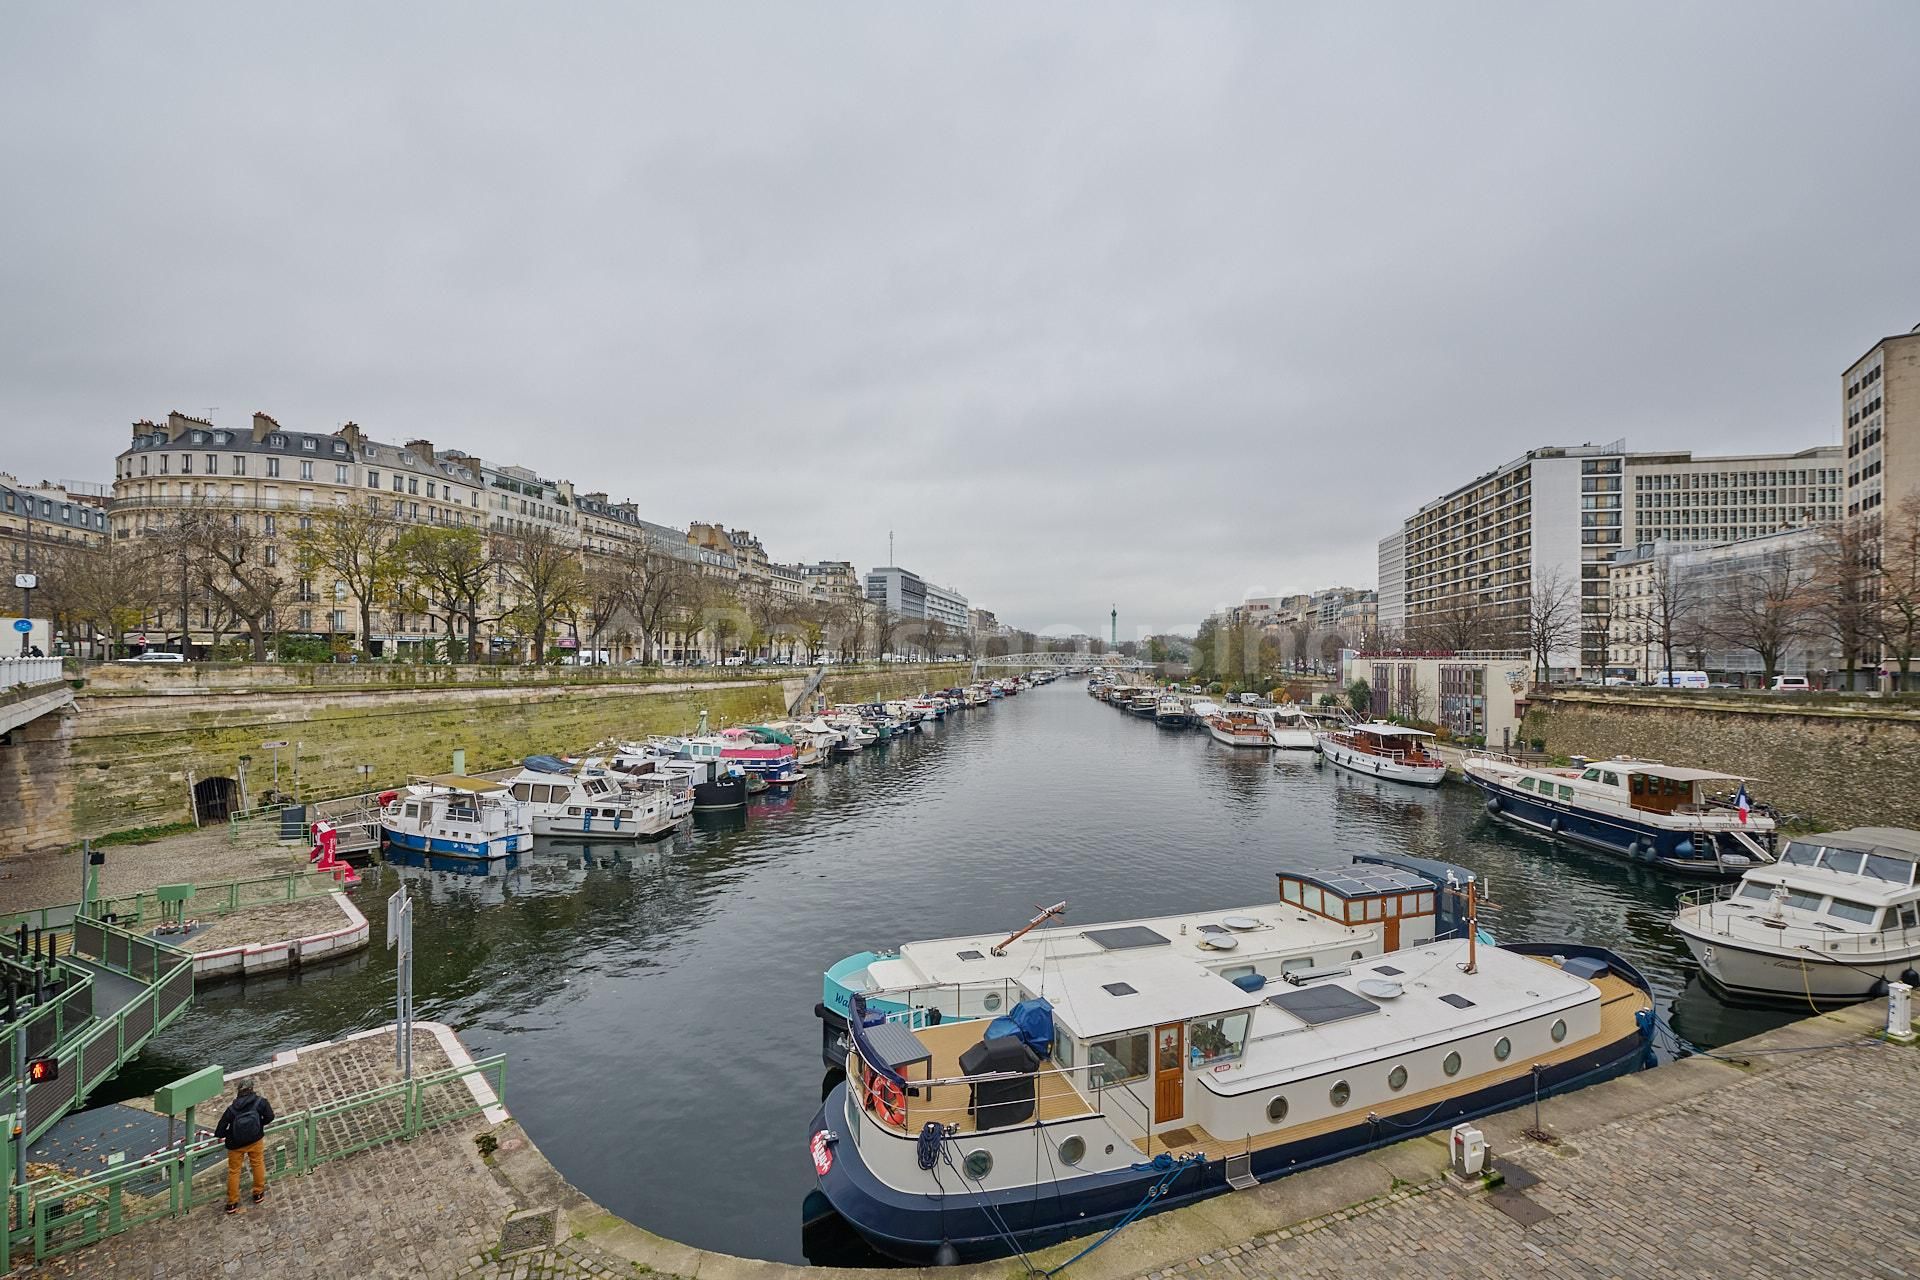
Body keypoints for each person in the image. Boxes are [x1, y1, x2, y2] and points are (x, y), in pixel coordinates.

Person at [214, 1080, 274, 1212]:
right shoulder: (260, 1102)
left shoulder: (231, 1109)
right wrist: (259, 1125)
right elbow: (270, 1117)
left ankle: (232, 1202)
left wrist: (231, 1133)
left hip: (236, 1145)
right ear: (252, 1089)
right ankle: (258, 1193)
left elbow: (219, 1131)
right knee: (257, 1164)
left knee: (234, 1171)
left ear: (239, 1092)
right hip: (255, 1140)